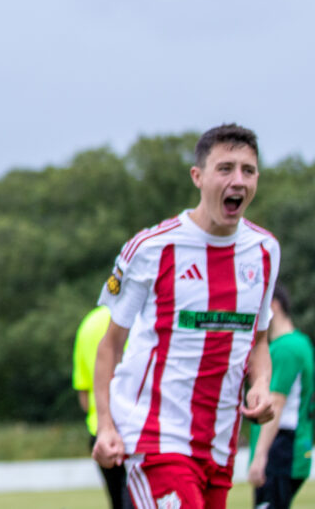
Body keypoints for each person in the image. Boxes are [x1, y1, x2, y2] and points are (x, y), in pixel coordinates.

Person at [93, 123, 279, 509]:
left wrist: (260, 383)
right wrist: (106, 425)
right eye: (225, 168)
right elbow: (109, 346)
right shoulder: (151, 247)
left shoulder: (264, 251)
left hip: (220, 444)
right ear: (198, 176)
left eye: (248, 170)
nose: (238, 179)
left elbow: (258, 340)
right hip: (155, 439)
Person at [248, 284, 314, 509]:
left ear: (272, 305)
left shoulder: (286, 349)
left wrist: (259, 457)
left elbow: (276, 402)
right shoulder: (301, 342)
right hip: (293, 446)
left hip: (281, 449)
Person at [73, 305, 131, 509]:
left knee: (118, 501)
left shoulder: (88, 324)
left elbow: (83, 397)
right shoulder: (139, 317)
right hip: (134, 430)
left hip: (99, 432)